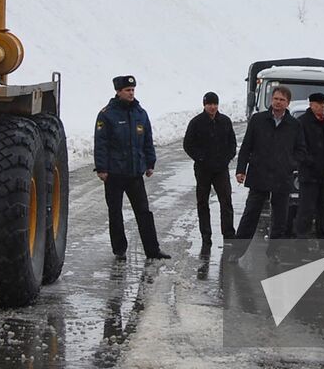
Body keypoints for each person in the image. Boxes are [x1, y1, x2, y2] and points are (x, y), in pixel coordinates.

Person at [94, 76, 171, 261]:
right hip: (114, 174)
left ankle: (152, 249)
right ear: (119, 92)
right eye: (128, 90)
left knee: (144, 212)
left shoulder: (140, 113)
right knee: (115, 212)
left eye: (133, 90)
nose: (131, 93)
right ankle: (119, 249)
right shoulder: (106, 115)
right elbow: (101, 144)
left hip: (135, 173)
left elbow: (147, 140)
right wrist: (101, 168)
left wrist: (150, 163)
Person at [232, 86, 307, 248]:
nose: (278, 102)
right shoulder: (258, 120)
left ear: (288, 103)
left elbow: (301, 151)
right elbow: (246, 146)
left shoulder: (294, 125)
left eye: (282, 100)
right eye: (276, 99)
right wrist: (240, 169)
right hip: (259, 174)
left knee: (280, 219)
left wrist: (290, 163)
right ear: (271, 100)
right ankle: (237, 251)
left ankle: (274, 252)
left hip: (282, 177)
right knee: (250, 215)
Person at [183, 91, 238, 254]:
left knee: (226, 201)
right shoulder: (196, 122)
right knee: (202, 202)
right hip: (203, 169)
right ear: (204, 105)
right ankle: (206, 235)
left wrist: (226, 158)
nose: (212, 107)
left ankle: (228, 234)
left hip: (221, 169)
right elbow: (188, 144)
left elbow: (232, 143)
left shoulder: (225, 121)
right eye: (209, 104)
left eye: (215, 104)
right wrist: (201, 158)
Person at [294, 92, 324, 239]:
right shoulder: (302, 122)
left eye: (323, 105)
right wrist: (310, 162)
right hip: (309, 175)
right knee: (306, 209)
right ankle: (301, 240)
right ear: (311, 105)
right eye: (318, 104)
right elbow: (299, 147)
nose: (321, 107)